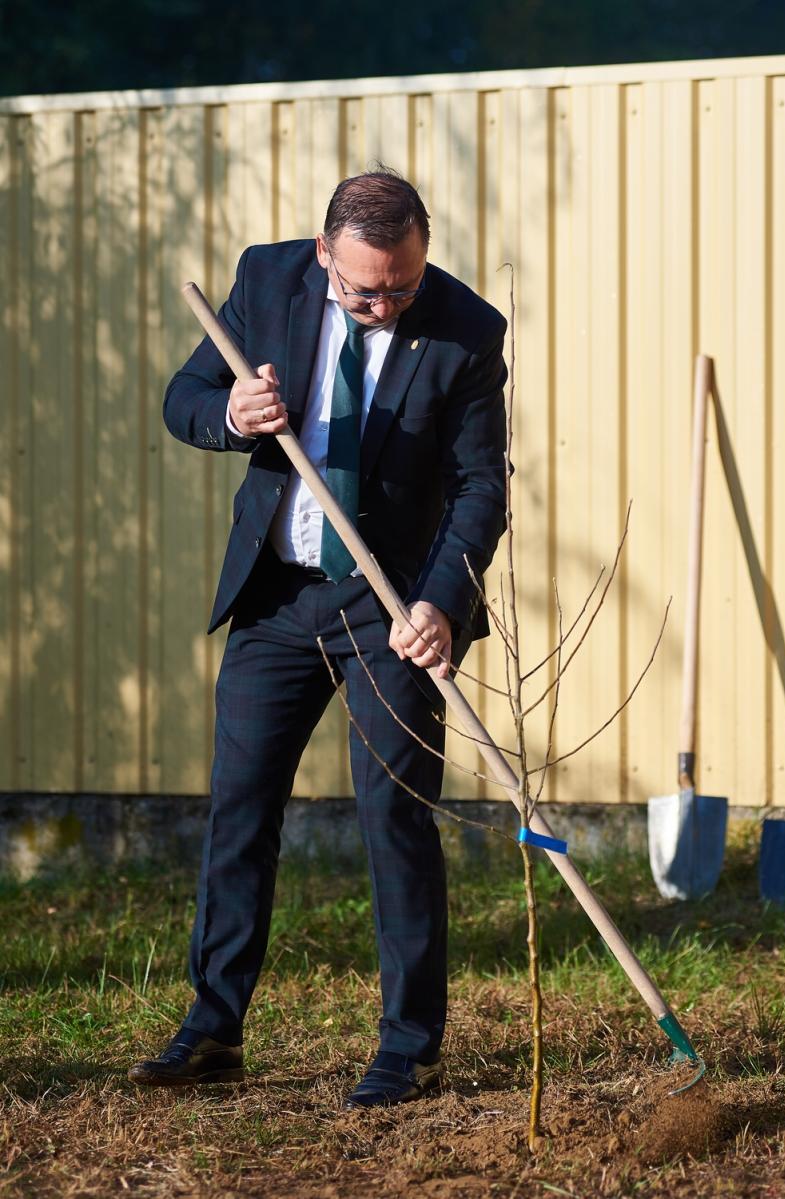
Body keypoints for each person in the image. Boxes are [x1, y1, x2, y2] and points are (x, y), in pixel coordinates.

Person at [128, 167, 507, 1108]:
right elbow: (184, 396)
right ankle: (214, 1029)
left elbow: (480, 488)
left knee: (394, 819)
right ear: (322, 252)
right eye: (364, 290)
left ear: (423, 253)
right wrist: (230, 414)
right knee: (241, 807)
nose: (384, 306)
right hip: (277, 596)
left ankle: (410, 1049)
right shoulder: (267, 280)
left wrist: (442, 603)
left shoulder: (466, 330)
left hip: (392, 607)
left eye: (404, 286)